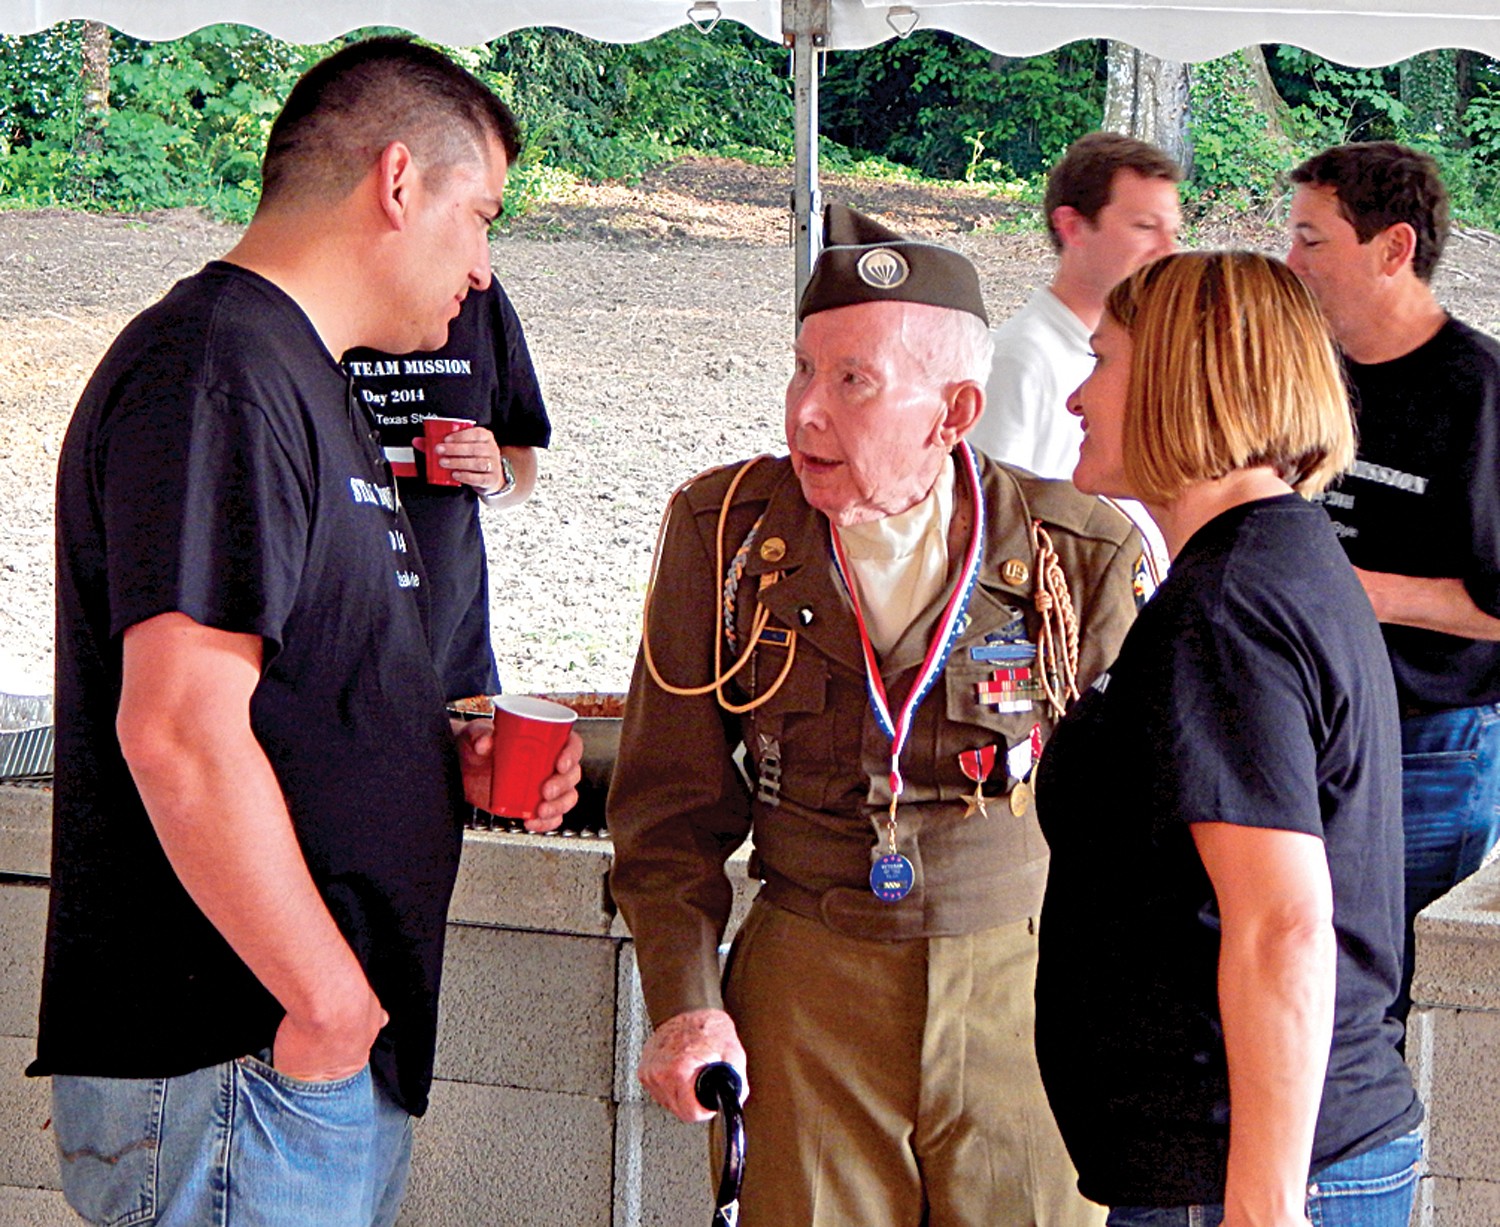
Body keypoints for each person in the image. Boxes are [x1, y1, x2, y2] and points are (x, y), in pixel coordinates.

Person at [32, 37, 582, 1227]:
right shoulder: (216, 371)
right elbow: (177, 728)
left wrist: (447, 761)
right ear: (397, 183)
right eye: (479, 215)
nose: (484, 269)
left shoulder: (304, 377)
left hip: (293, 1064)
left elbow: (301, 695)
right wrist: (327, 1001)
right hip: (242, 1059)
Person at [608, 204, 1146, 1227]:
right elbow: (668, 811)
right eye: (803, 370)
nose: (805, 412)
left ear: (953, 415)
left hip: (1025, 1000)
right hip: (809, 996)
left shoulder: (1076, 553)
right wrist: (685, 999)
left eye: (852, 382)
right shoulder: (724, 537)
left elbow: (1136, 833)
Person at [1035, 251, 1424, 1227]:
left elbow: (1281, 925)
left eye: (1106, 362)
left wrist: (1262, 1206)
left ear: (1182, 376)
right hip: (1265, 1155)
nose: (1078, 396)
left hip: (1243, 1175)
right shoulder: (1272, 562)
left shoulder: (1225, 611)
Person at [1287, 141, 1500, 1019]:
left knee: (1398, 1006)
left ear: (1394, 247)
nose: (1289, 261)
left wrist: (1361, 593)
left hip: (1429, 749)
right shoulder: (1307, 370)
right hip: (1306, 731)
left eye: (1311, 239)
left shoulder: (1478, 389)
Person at [345, 278, 551, 701]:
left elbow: (521, 460)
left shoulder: (477, 299)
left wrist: (498, 475)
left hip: (451, 640)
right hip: (335, 634)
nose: (480, 266)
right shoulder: (318, 297)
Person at [968, 131, 1181, 480]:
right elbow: (992, 514)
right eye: (1145, 227)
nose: (1168, 251)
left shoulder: (1153, 355)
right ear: (1073, 227)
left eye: (1173, 232)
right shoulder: (1019, 364)